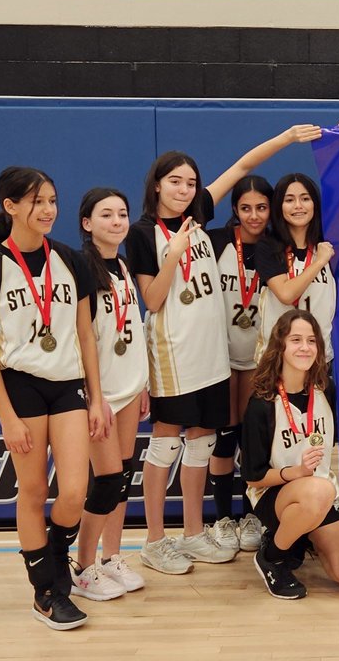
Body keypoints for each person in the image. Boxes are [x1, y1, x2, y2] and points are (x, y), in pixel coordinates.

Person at [126, 125, 321, 575]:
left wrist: (287, 138)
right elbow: (152, 300)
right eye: (175, 181)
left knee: (202, 443)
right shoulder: (141, 234)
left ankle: (194, 532)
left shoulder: (197, 216)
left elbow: (243, 167)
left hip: (212, 355)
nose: (184, 190)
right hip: (173, 355)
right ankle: (155, 540)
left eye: (191, 183)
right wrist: (173, 253)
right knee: (164, 445)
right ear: (157, 184)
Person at [0, 167, 108, 629]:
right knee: (33, 490)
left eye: (51, 201)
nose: (47, 210)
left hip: (66, 384)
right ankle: (47, 592)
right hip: (20, 384)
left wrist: (97, 398)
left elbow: (86, 332)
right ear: (11, 207)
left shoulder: (69, 259)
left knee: (75, 491)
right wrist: (6, 416)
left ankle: (53, 555)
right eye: (36, 202)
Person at [241, 309, 339, 600]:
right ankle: (272, 557)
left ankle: (302, 537)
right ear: (281, 346)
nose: (305, 347)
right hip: (275, 494)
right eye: (296, 339)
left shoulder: (326, 390)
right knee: (317, 490)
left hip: (321, 496)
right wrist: (295, 474)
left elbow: (331, 446)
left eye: (311, 341)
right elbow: (253, 476)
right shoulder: (262, 402)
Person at [71, 188, 150, 601]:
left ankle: (110, 557)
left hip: (129, 386)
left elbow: (130, 331)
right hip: (100, 393)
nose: (118, 221)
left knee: (121, 481)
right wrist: (93, 397)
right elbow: (83, 339)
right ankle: (82, 568)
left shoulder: (121, 263)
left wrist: (143, 383)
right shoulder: (81, 268)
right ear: (87, 223)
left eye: (122, 213)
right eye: (106, 215)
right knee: (103, 483)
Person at [205, 175, 273, 556]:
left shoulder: (276, 247)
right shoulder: (215, 243)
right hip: (220, 352)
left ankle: (250, 515)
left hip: (259, 354)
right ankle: (221, 519)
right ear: (235, 210)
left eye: (261, 208)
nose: (253, 216)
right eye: (245, 208)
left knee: (252, 439)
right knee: (224, 437)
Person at [256, 173, 337, 364]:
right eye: (289, 200)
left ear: (315, 204)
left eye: (305, 199)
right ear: (279, 206)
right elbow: (286, 294)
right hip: (278, 358)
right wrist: (318, 262)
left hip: (319, 357)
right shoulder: (268, 246)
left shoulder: (327, 245)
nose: (298, 206)